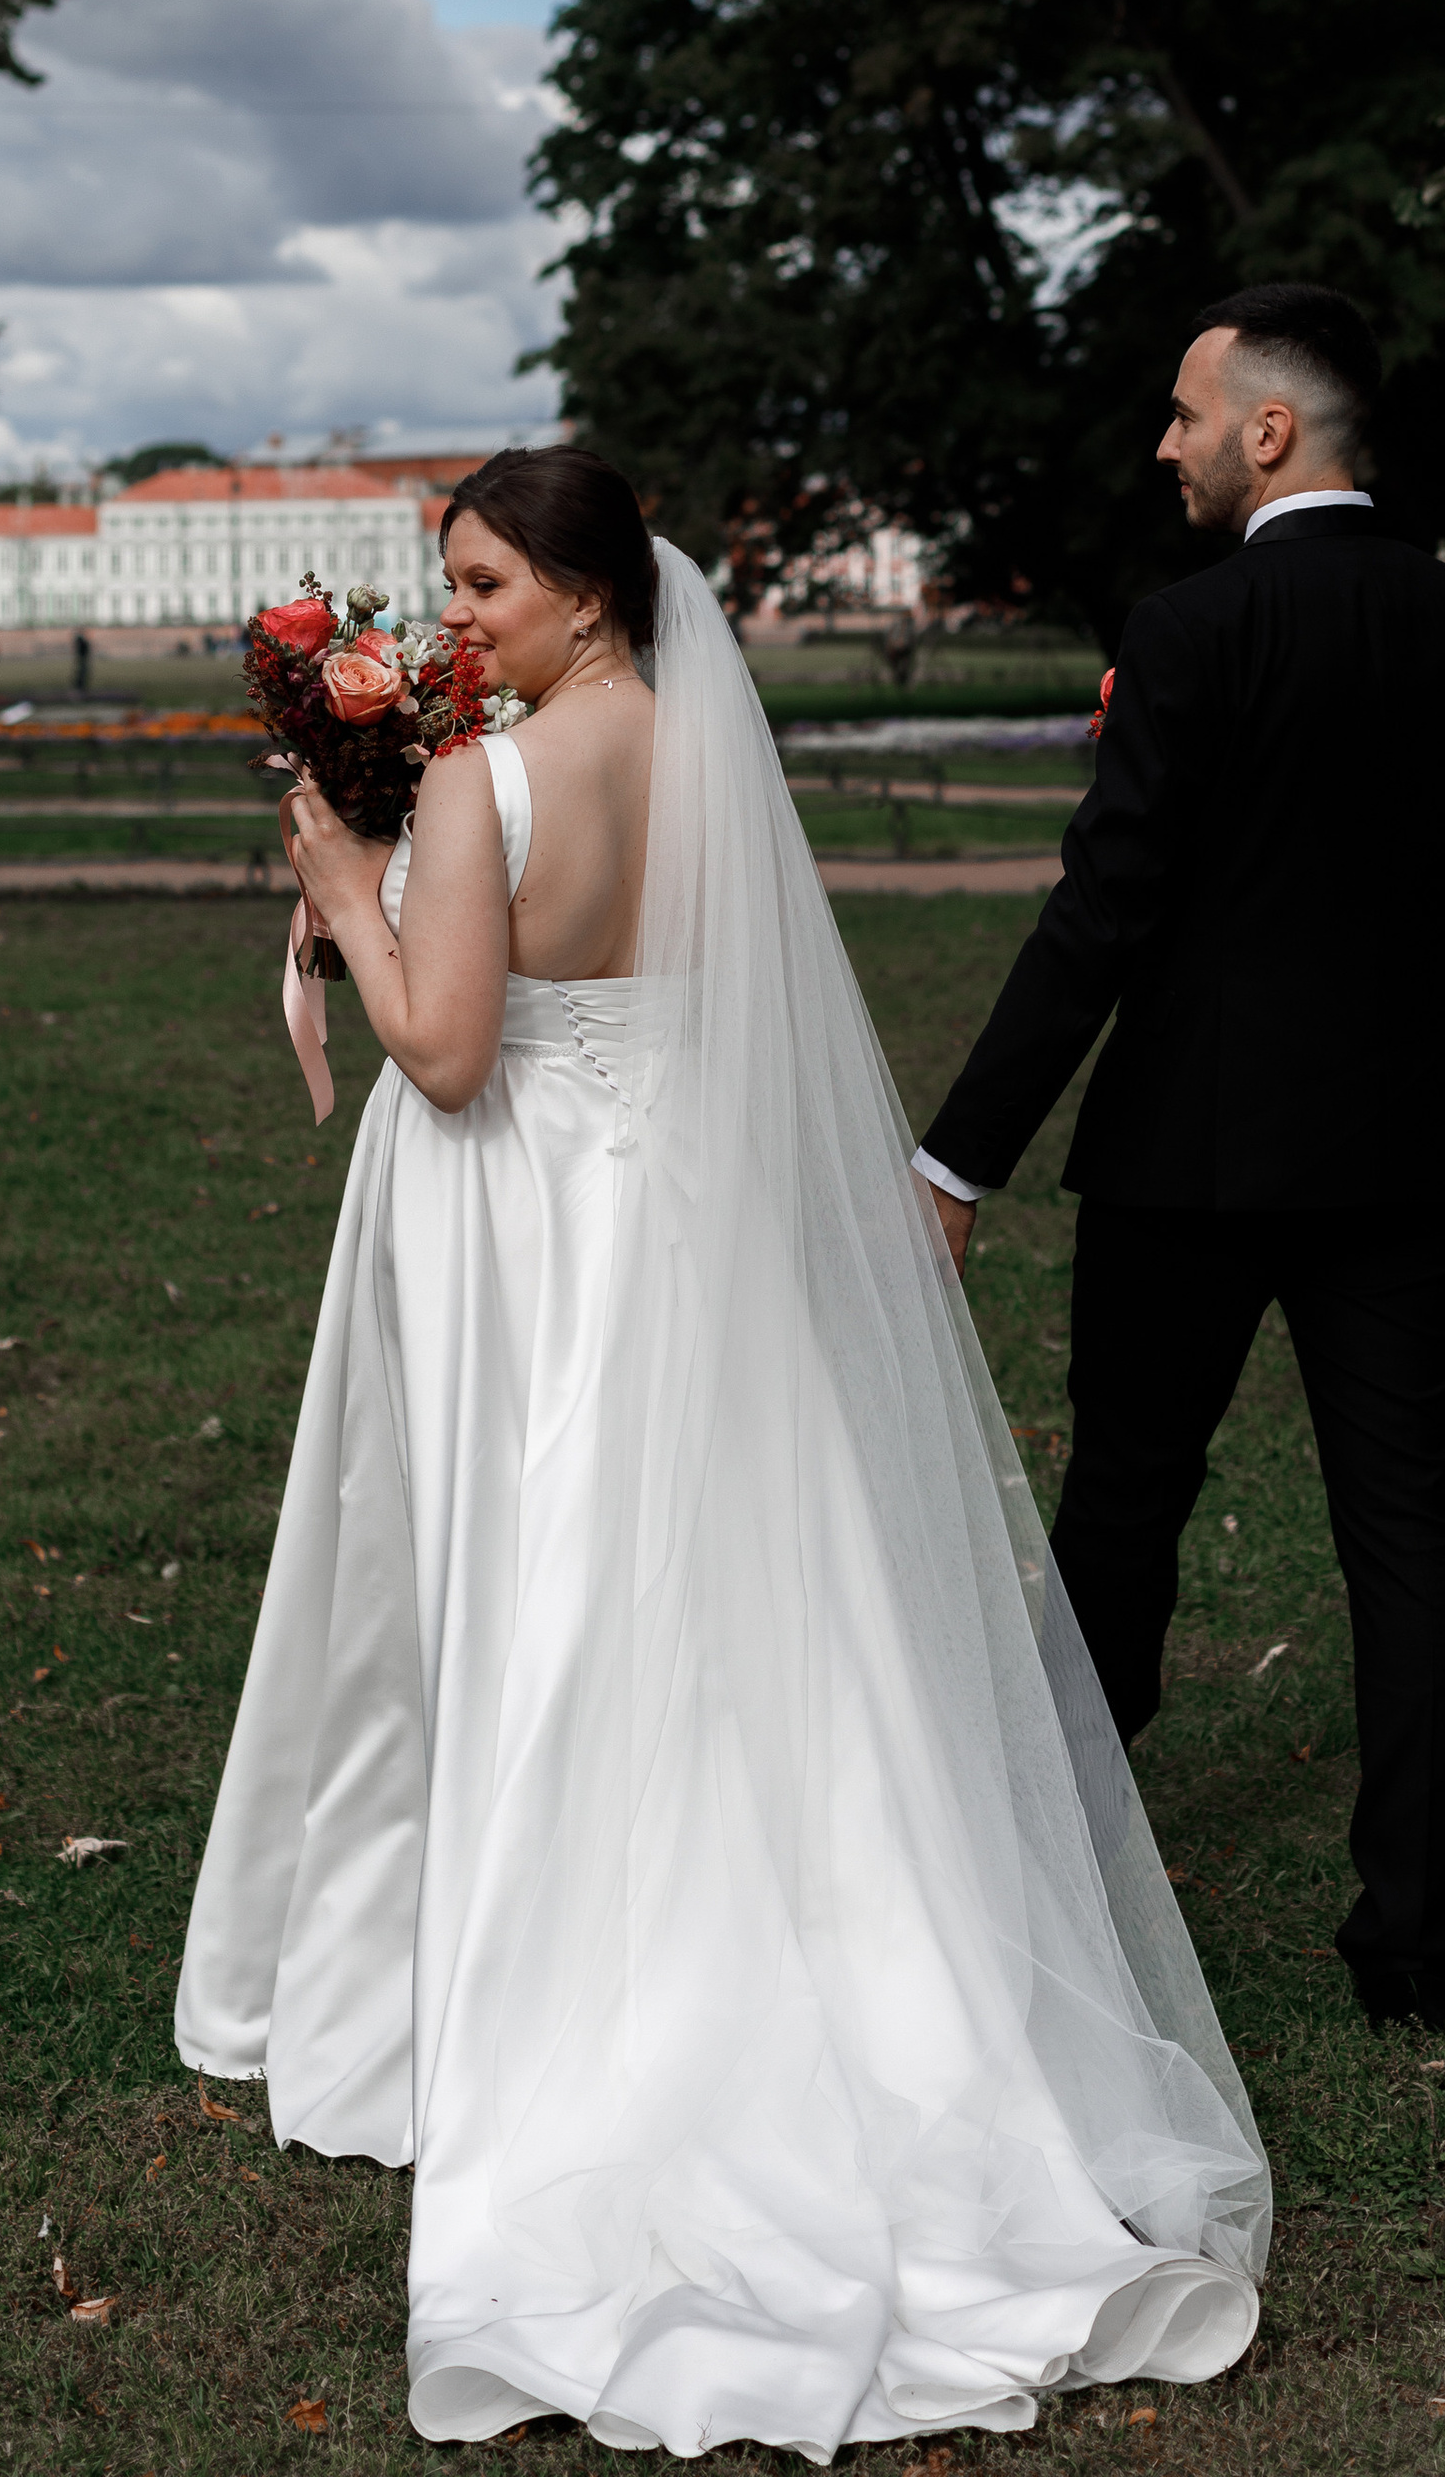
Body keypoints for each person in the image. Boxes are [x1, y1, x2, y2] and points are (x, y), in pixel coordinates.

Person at [177, 445, 1268, 2455]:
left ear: (589, 593)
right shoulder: (702, 756)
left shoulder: (476, 779)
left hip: (528, 1227)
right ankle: (833, 1964)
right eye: (450, 586)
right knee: (741, 1608)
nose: (460, 621)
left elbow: (446, 1052)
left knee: (547, 1594)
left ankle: (587, 2006)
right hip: (681, 1222)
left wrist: (344, 888)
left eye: (488, 584)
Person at [912, 286, 1445, 2039]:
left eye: (1189, 413)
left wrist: (960, 1158)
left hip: (1187, 1162)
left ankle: (1033, 1880)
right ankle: (1416, 1946)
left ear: (1271, 430)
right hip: (1407, 1168)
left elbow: (1103, 913)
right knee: (1405, 1524)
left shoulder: (1196, 629)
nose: (1167, 442)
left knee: (1126, 1504)